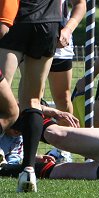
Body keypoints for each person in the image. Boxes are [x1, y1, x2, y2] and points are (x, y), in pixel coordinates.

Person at [0, 0, 63, 192]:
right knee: (33, 101)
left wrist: (3, 22)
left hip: (17, 22)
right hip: (49, 23)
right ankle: (28, 170)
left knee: (3, 94)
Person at [48, 0, 86, 113]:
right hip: (27, 40)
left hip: (59, 45)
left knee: (63, 99)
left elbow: (80, 3)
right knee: (33, 97)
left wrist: (68, 30)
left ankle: (68, 130)